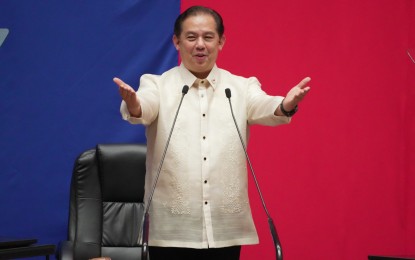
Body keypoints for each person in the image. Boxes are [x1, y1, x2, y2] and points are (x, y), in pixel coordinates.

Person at [113, 5, 310, 260]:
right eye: (191, 37)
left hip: (225, 227)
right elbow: (145, 107)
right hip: (171, 230)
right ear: (177, 41)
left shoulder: (240, 87)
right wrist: (134, 104)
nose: (200, 45)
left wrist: (286, 104)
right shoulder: (157, 84)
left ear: (221, 42)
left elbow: (266, 106)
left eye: (208, 37)